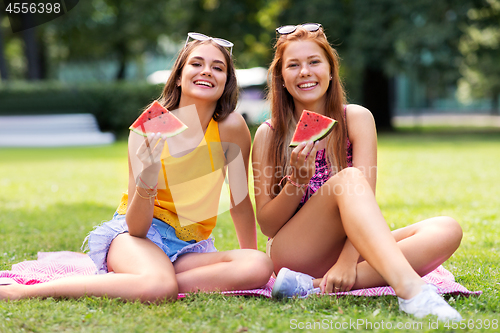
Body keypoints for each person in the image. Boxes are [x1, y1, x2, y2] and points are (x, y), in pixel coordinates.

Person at [1, 33, 273, 302]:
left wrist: (253, 266)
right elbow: (137, 228)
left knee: (258, 265)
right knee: (158, 287)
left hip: (188, 250)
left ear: (226, 81)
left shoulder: (232, 128)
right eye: (196, 63)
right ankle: (23, 291)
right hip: (136, 238)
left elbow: (239, 201)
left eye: (218, 67)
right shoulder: (149, 129)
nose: (207, 72)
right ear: (179, 76)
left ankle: (142, 281)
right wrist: (148, 178)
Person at [251, 23, 463, 321]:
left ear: (330, 69)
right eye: (293, 65)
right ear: (281, 77)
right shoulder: (268, 134)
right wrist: (296, 183)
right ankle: (411, 291)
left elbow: (368, 199)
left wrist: (348, 262)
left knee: (447, 229)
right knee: (350, 179)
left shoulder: (357, 119)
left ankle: (310, 288)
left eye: (314, 62)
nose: (305, 72)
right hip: (295, 252)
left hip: (355, 246)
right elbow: (268, 225)